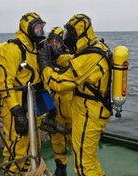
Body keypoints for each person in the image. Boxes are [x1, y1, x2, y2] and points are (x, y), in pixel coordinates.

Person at [37, 14, 112, 176]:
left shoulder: (91, 56)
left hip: (89, 113)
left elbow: (59, 83)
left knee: (84, 165)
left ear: (78, 33)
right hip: (87, 111)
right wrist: (58, 56)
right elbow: (74, 60)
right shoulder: (94, 48)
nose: (66, 38)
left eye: (69, 34)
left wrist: (45, 65)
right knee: (88, 159)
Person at [0, 12, 46, 175]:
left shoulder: (37, 48)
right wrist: (16, 110)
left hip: (33, 104)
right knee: (16, 149)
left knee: (31, 147)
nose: (40, 31)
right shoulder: (13, 49)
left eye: (41, 27)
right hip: (17, 105)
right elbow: (5, 82)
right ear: (28, 28)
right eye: (37, 27)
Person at [46, 27, 74, 176]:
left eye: (57, 41)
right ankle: (60, 166)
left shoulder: (71, 58)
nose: (54, 44)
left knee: (76, 141)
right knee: (56, 139)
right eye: (52, 41)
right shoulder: (45, 60)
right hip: (54, 107)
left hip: (71, 106)